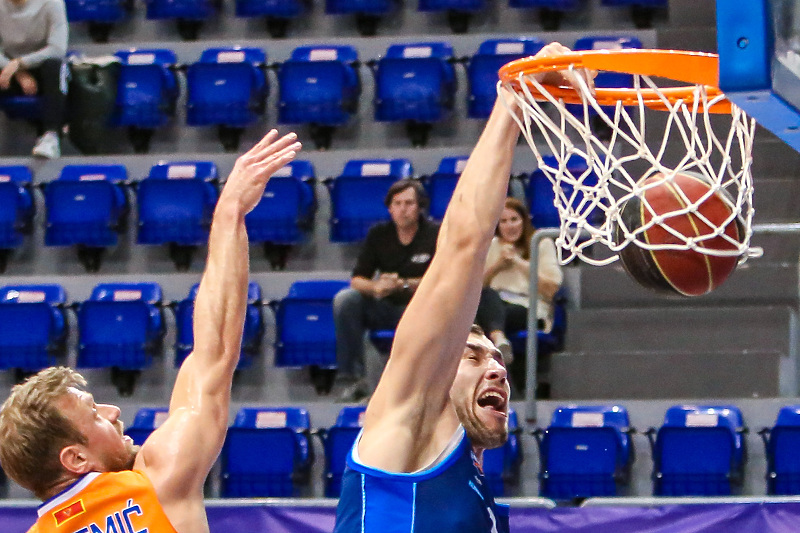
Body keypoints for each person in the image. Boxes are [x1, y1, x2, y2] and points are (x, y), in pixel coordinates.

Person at [333, 41, 587, 533]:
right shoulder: (402, 423)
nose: (496, 371)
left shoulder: (474, 490)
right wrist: (513, 103)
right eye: (471, 357)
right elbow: (463, 247)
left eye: (495, 359)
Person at [0, 129, 302, 532]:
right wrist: (230, 210)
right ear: (75, 459)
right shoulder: (152, 483)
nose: (113, 411)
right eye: (95, 415)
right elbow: (214, 356)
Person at [334, 178, 439, 402]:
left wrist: (403, 283)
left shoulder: (435, 233)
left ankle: (424, 386)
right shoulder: (379, 234)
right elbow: (357, 279)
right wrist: (376, 287)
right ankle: (353, 379)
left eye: (409, 203)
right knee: (346, 300)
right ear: (390, 208)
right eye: (397, 203)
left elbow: (443, 279)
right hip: (385, 304)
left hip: (420, 308)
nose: (403, 209)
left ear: (420, 206)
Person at [475, 197, 562, 392]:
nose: (509, 226)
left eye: (514, 219)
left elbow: (552, 287)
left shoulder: (540, 243)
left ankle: (497, 342)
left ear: (524, 220)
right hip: (494, 304)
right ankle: (500, 344)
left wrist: (518, 263)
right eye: (503, 221)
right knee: (485, 298)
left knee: (482, 323)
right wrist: (498, 265)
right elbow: (475, 287)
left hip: (529, 308)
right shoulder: (492, 245)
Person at [0, 0, 69, 158]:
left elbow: (57, 49)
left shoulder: (52, 3)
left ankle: (51, 136)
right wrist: (18, 73)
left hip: (42, 67)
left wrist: (20, 63)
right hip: (9, 69)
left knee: (55, 66)